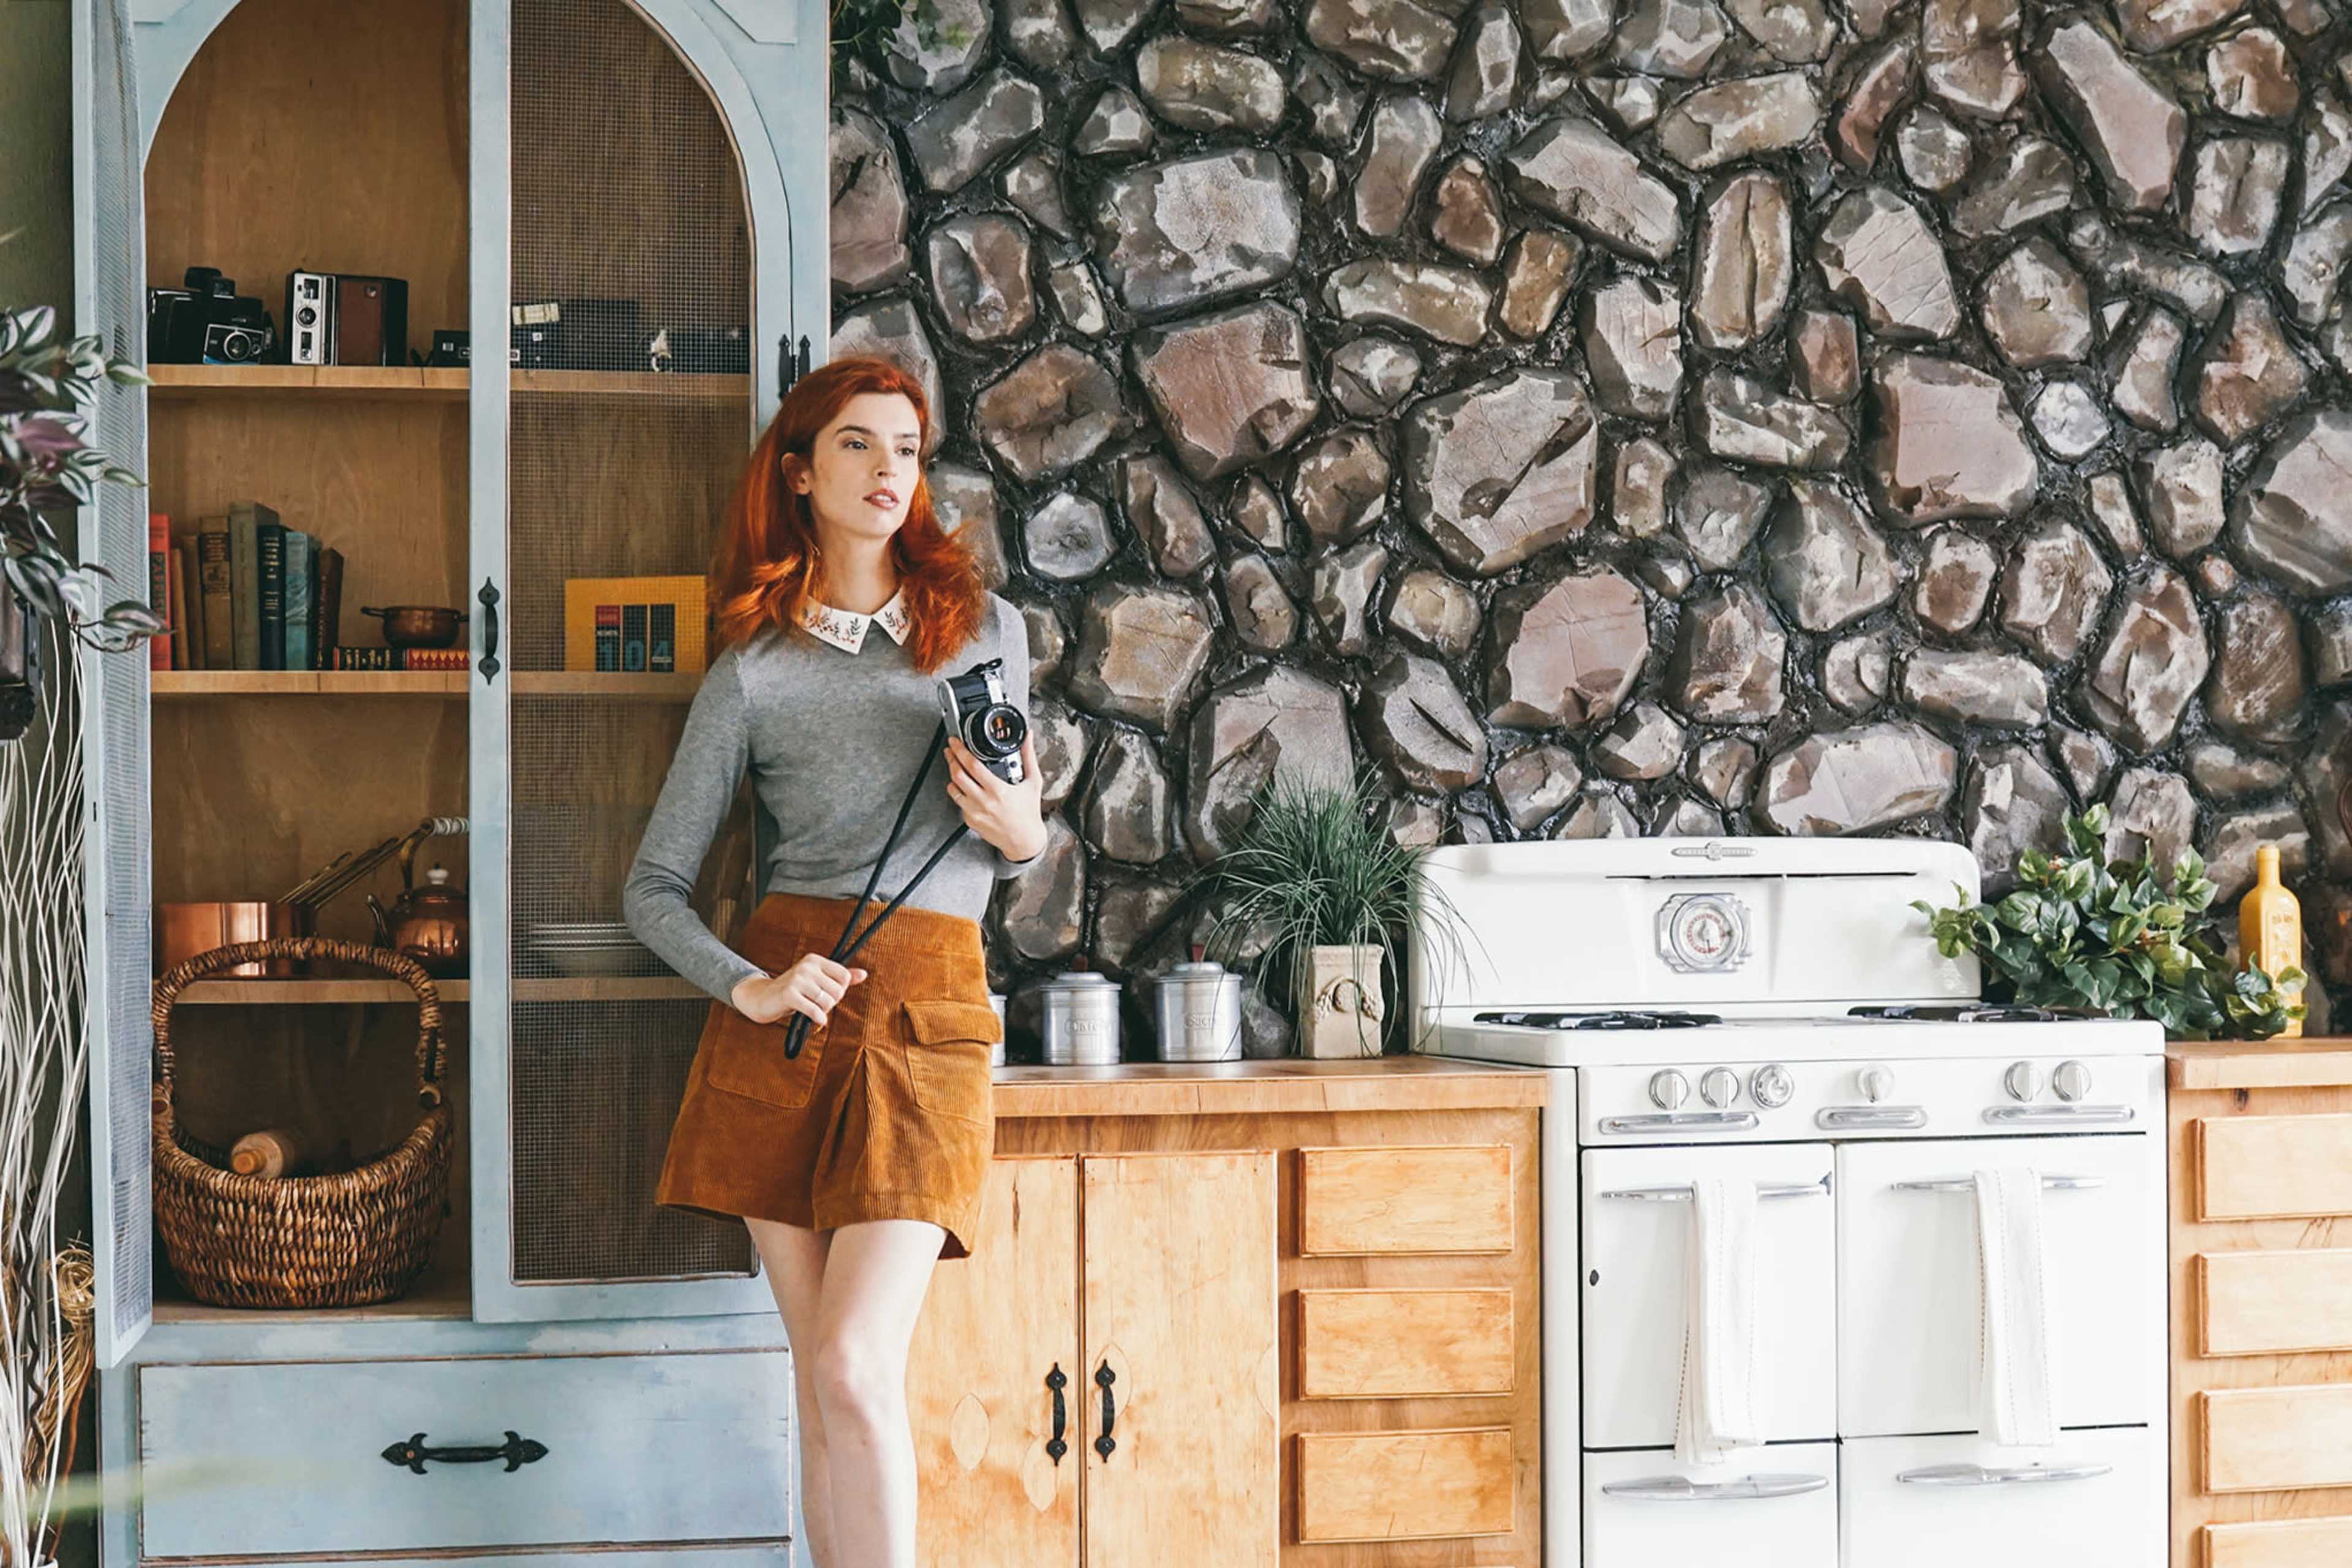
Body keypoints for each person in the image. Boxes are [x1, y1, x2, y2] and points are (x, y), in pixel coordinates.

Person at [621, 355, 1046, 1567]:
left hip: (931, 1014)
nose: (886, 470)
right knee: (820, 1379)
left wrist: (1025, 833)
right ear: (800, 473)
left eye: (906, 448)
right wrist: (749, 984)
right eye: (857, 444)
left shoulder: (985, 633)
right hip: (786, 1022)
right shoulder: (752, 672)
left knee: (856, 1363)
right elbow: (651, 888)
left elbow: (1019, 836)